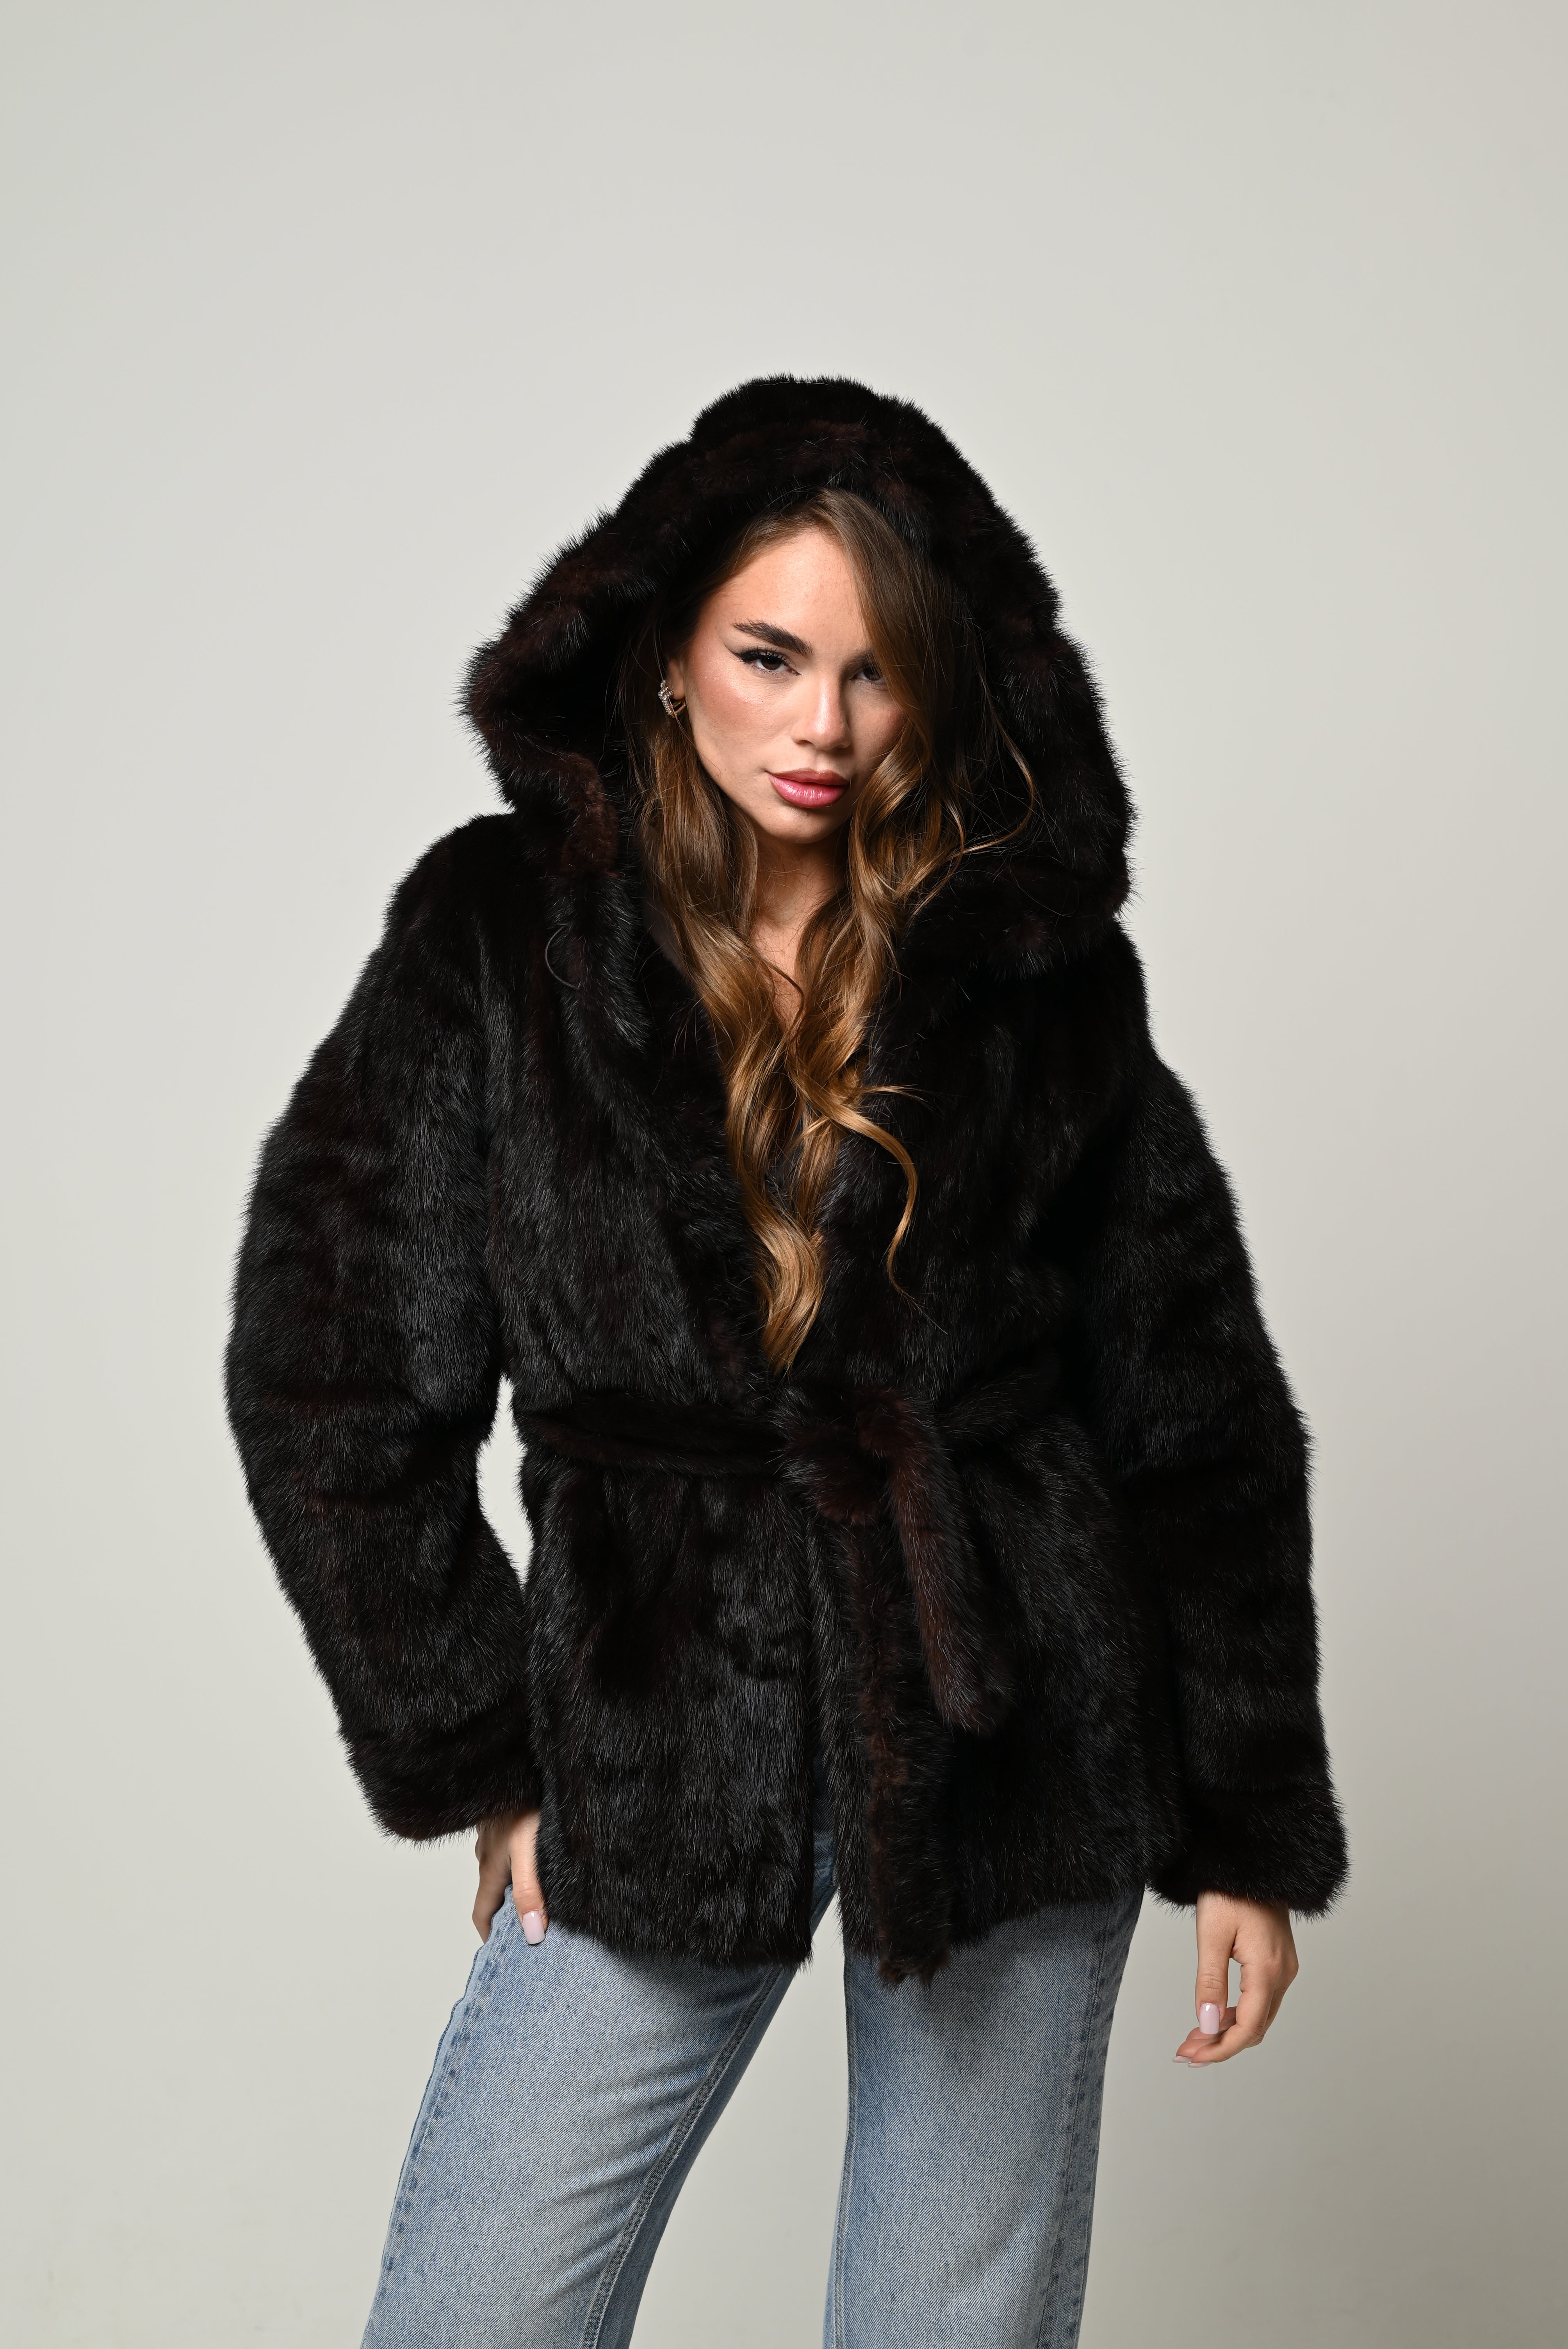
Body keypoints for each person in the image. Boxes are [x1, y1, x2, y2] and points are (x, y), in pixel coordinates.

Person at [226, 376, 1346, 2348]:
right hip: (656, 1717)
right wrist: (482, 1744)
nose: (822, 725)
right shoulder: (498, 934)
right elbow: (328, 1368)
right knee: (478, 2312)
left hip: (1012, 1711)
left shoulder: (1031, 967)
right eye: (768, 656)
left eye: (873, 671)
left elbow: (1195, 1402)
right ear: (665, 657)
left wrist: (1242, 1819)